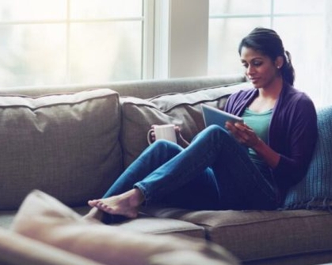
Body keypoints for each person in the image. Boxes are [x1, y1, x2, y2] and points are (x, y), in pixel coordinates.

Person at [86, 27, 318, 221]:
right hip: (224, 186)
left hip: (264, 194)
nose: (249, 72)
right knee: (163, 148)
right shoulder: (239, 99)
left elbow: (295, 172)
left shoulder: (298, 104)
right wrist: (183, 143)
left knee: (216, 134)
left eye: (257, 63)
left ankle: (134, 198)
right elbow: (213, 155)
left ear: (278, 62)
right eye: (245, 64)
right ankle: (95, 215)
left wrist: (257, 144)